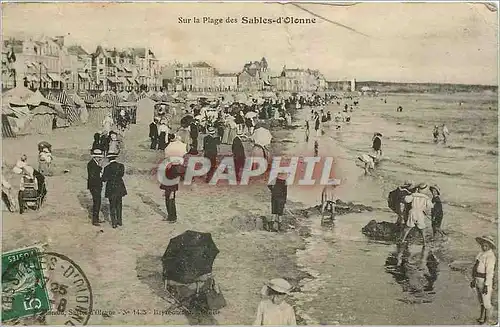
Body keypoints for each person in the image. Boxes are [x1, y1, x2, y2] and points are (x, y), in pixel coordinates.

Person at [398, 183, 433, 252]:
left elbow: (406, 200)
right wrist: (424, 208)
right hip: (420, 213)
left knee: (408, 227)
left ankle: (402, 240)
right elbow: (431, 206)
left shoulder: (413, 195)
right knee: (422, 228)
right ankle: (424, 242)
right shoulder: (426, 198)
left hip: (413, 212)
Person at [470, 235, 496, 325]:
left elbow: (489, 272)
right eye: (483, 245)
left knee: (486, 302)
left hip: (484, 281)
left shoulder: (490, 256)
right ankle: (482, 317)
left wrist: (486, 285)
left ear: (490, 246)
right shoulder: (481, 253)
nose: (484, 247)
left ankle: (488, 320)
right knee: (481, 300)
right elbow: (475, 266)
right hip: (478, 279)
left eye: (486, 246)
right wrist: (473, 279)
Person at [101, 152, 127, 228]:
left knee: (112, 206)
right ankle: (120, 221)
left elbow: (104, 179)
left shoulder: (107, 168)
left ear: (108, 159)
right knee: (119, 205)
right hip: (119, 187)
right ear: (115, 158)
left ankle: (114, 223)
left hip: (111, 188)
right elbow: (121, 175)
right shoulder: (121, 166)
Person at [160, 157, 185, 223]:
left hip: (171, 188)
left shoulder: (174, 169)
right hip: (168, 188)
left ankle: (173, 217)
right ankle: (170, 216)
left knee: (171, 202)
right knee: (168, 201)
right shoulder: (168, 169)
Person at [87, 149, 104, 226]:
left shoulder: (95, 163)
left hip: (96, 185)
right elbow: (93, 176)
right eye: (98, 157)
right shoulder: (92, 164)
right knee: (97, 202)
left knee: (98, 202)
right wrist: (99, 168)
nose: (99, 158)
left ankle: (96, 219)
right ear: (95, 157)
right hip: (94, 186)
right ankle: (95, 220)